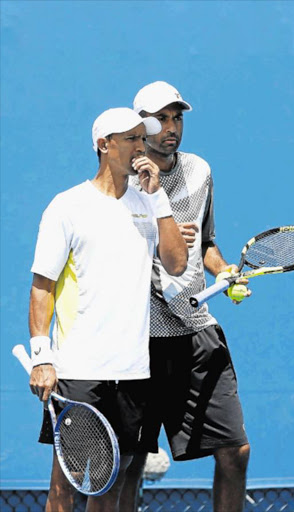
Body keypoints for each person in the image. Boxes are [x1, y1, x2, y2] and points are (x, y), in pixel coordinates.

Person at [28, 107, 188, 512]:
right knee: (65, 489)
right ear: (104, 145)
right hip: (80, 372)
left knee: (112, 489)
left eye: (142, 137)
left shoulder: (149, 202)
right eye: (132, 138)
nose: (142, 146)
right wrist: (42, 356)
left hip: (133, 372)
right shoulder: (66, 207)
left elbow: (177, 264)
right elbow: (42, 287)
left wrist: (159, 199)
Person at [122, 82, 251, 512]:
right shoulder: (120, 182)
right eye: (161, 119)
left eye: (178, 118)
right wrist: (165, 231)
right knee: (129, 463)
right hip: (139, 339)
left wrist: (225, 271)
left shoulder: (199, 171)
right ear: (140, 124)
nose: (171, 127)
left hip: (196, 334)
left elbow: (208, 244)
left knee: (235, 452)